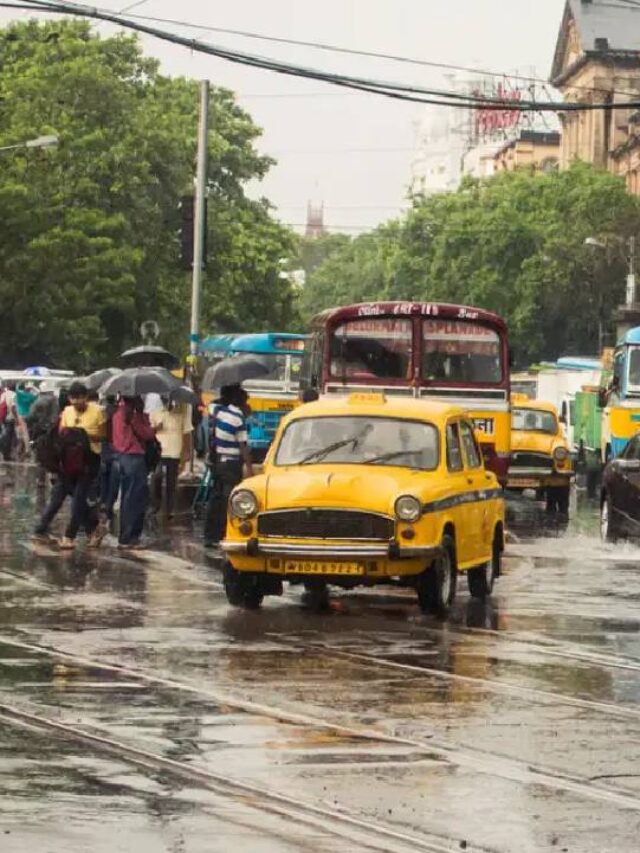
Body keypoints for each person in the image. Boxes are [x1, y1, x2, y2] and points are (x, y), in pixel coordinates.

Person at [33, 381, 106, 549]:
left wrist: (83, 435)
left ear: (86, 397)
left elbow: (103, 436)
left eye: (79, 399)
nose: (75, 402)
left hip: (89, 461)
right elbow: (61, 434)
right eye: (72, 399)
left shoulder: (97, 412)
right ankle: (41, 530)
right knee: (57, 496)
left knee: (78, 499)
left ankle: (69, 536)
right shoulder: (66, 412)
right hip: (67, 462)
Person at [204, 384, 254, 548]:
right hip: (231, 464)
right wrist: (250, 468)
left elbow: (212, 405)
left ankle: (210, 535)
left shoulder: (219, 410)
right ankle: (225, 533)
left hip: (218, 461)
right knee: (229, 500)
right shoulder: (238, 418)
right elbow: (243, 447)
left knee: (216, 498)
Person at [111, 396, 156, 549]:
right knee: (136, 499)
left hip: (121, 457)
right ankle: (130, 537)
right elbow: (147, 434)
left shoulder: (117, 414)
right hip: (134, 457)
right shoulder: (133, 415)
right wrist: (146, 420)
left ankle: (125, 536)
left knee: (127, 497)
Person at [150, 398, 193, 518]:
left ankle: (170, 509)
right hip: (159, 452)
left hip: (174, 452)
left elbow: (187, 432)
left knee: (171, 481)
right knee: (156, 477)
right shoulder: (156, 411)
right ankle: (155, 506)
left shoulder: (183, 411)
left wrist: (186, 452)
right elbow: (148, 431)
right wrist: (156, 428)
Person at [14, 382, 38, 458]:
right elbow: (38, 393)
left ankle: (27, 449)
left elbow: (16, 388)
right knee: (26, 433)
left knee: (24, 433)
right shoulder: (31, 396)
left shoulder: (20, 395)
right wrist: (33, 387)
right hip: (29, 415)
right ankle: (23, 449)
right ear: (30, 389)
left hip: (21, 415)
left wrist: (19, 381)